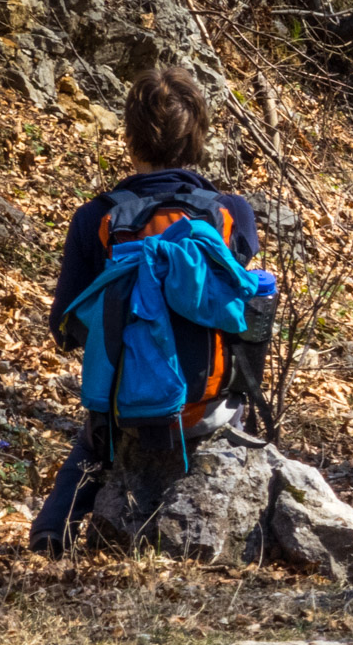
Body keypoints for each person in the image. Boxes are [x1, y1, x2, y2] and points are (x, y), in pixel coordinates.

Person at [30, 67, 261, 556]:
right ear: (198, 136)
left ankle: (52, 533)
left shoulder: (96, 217)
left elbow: (63, 327)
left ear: (131, 138)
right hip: (210, 411)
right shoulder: (230, 213)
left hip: (124, 414)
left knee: (93, 444)